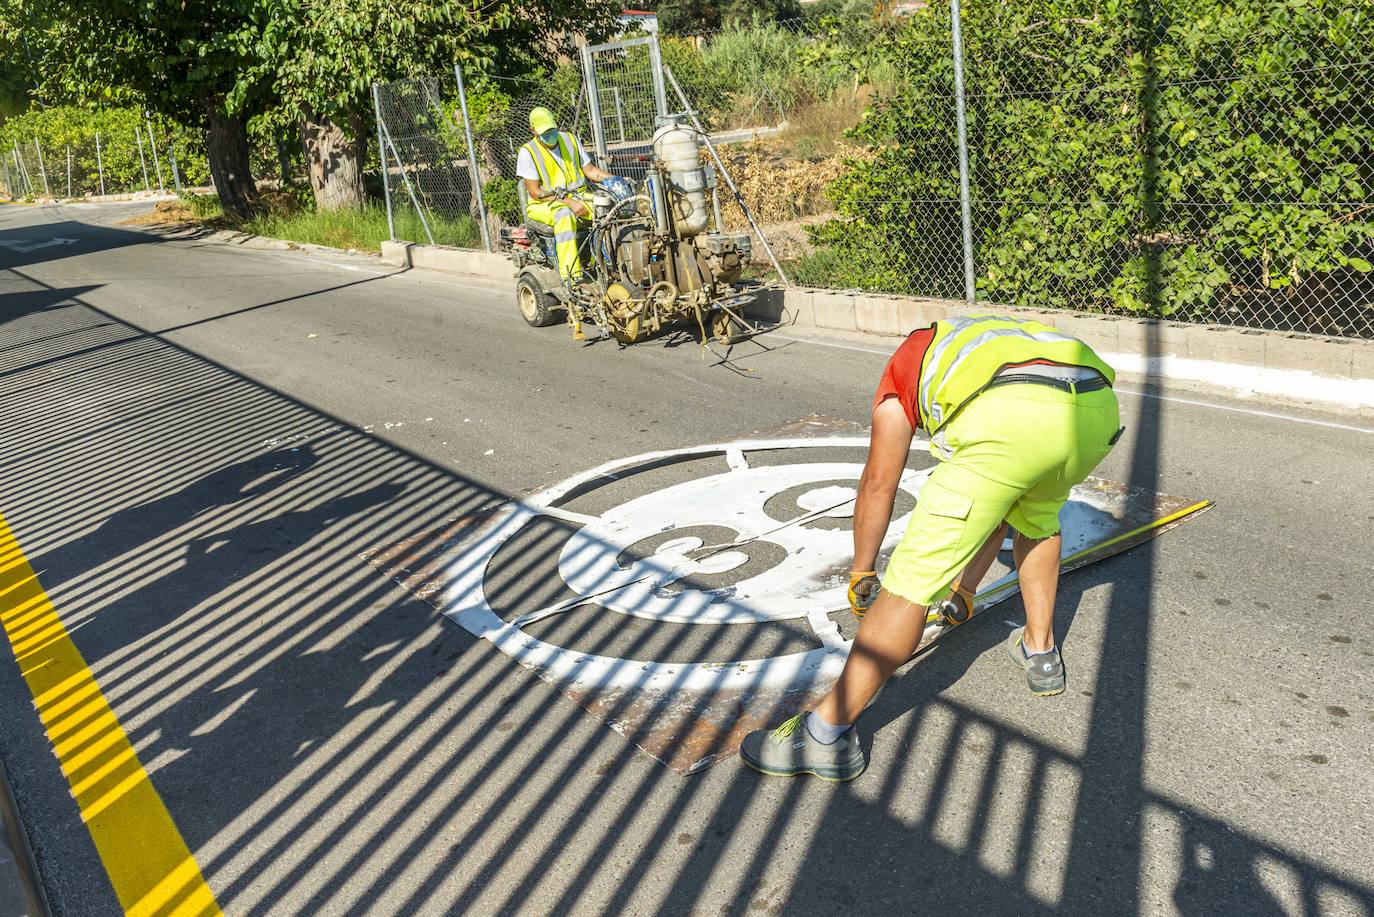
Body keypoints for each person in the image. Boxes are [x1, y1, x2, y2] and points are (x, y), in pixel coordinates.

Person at [740, 314, 1123, 781]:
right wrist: (965, 589)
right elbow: (997, 510)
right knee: (1037, 522)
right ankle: (1040, 652)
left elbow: (880, 482)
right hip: (1094, 412)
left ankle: (824, 735)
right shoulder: (984, 339)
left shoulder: (904, 367)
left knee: (911, 583)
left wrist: (864, 571)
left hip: (1012, 417)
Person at [516, 106, 617, 283]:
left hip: (579, 197)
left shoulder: (569, 139)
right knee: (565, 215)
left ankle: (610, 266)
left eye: (552, 129)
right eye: (545, 131)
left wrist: (616, 181)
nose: (550, 134)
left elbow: (591, 170)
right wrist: (567, 202)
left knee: (610, 207)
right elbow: (534, 192)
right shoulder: (528, 151)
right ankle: (571, 276)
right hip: (544, 204)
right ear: (533, 130)